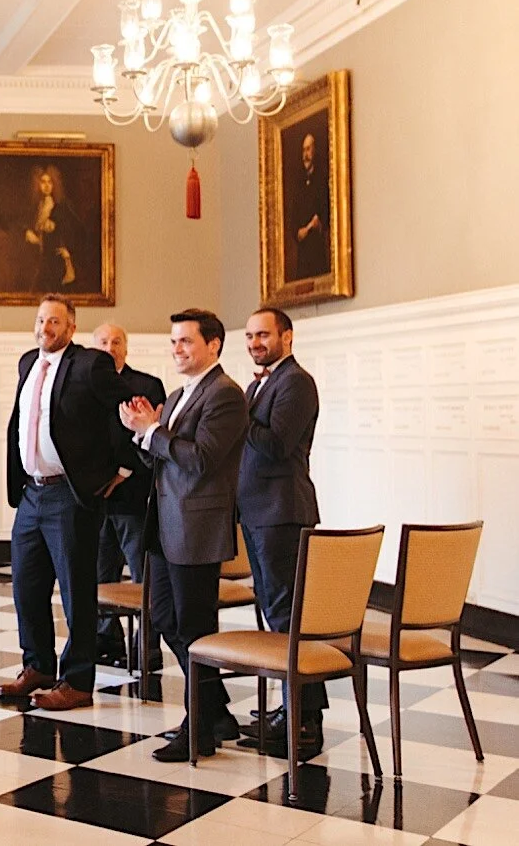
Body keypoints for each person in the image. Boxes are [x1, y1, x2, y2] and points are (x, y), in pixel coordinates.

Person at [119, 308, 247, 763]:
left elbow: (201, 460)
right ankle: (214, 710)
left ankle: (201, 730)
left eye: (186, 341)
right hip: (165, 525)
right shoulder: (176, 396)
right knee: (163, 617)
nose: (177, 349)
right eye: (173, 341)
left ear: (213, 345)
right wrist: (140, 433)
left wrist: (152, 430)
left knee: (195, 626)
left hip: (196, 528)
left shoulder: (226, 394)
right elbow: (163, 459)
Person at [0, 297, 133, 711]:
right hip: (30, 494)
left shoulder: (90, 364)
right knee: (26, 587)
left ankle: (77, 680)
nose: (45, 328)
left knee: (76, 591)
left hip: (68, 495)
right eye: (41, 320)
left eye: (54, 321)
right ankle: (38, 665)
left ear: (71, 328)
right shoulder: (27, 362)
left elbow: (129, 403)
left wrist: (122, 468)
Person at [237, 307, 325, 759]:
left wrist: (238, 415)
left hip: (282, 512)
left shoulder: (296, 382)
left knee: (288, 615)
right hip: (257, 512)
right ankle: (294, 708)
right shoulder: (259, 384)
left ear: (287, 336)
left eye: (263, 334)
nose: (255, 342)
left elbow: (276, 445)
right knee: (277, 614)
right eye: (250, 335)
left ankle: (303, 722)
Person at [89, 323, 166, 671]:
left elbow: (152, 434)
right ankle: (107, 639)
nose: (110, 347)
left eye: (116, 341)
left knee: (143, 576)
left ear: (126, 347)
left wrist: (122, 471)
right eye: (103, 341)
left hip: (133, 494)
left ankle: (147, 647)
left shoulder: (147, 385)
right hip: (94, 497)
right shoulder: (84, 383)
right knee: (99, 573)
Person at [23, 165, 84, 292]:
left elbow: (75, 229)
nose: (46, 186)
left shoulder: (61, 207)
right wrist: (28, 233)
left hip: (56, 258)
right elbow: (26, 226)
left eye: (50, 182)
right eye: (43, 182)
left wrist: (68, 250)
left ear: (54, 184)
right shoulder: (37, 207)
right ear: (38, 185)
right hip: (39, 256)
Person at [286, 131, 331, 280]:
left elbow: (327, 212)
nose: (305, 155)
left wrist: (318, 223)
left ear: (314, 150)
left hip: (317, 250)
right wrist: (298, 232)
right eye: (303, 150)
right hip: (303, 254)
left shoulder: (321, 179)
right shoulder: (298, 184)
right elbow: (293, 219)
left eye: (308, 149)